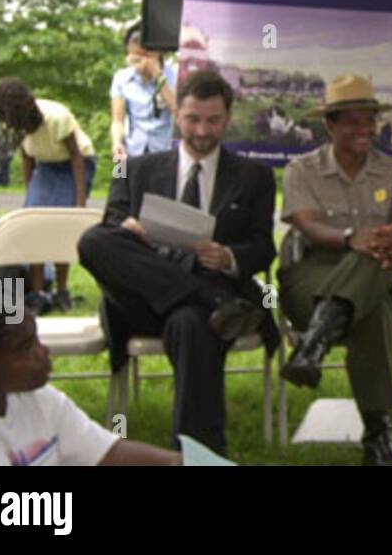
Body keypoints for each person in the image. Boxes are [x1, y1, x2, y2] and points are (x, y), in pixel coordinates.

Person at [77, 70, 277, 455]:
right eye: (192, 119)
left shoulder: (255, 176)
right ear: (176, 115)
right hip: (144, 298)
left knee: (191, 323)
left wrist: (230, 256)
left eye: (213, 120)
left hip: (209, 302)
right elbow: (111, 230)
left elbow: (263, 246)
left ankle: (196, 457)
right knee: (93, 241)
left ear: (228, 118)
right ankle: (209, 297)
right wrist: (129, 228)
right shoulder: (135, 169)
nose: (202, 130)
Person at [278, 75, 392, 466]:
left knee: (374, 258)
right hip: (317, 273)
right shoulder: (302, 169)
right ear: (330, 125)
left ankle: (313, 346)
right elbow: (308, 226)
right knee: (370, 309)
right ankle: (378, 437)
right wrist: (350, 238)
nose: (365, 130)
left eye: (370, 121)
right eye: (353, 122)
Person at [0, 309, 181, 465]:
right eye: (25, 349)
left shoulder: (36, 398)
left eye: (36, 339)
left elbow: (108, 454)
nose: (43, 351)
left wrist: (182, 462)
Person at [0, 79, 97, 312]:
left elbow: (76, 157)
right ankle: (39, 293)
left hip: (74, 165)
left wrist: (79, 203)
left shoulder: (57, 117)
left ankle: (62, 291)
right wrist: (32, 194)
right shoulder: (18, 127)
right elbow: (27, 158)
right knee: (34, 225)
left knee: (61, 225)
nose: (7, 123)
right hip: (46, 166)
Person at [110, 22, 178, 162]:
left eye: (139, 58)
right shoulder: (121, 78)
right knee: (120, 176)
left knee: (159, 182)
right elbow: (118, 120)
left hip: (163, 152)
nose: (135, 63)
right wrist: (117, 141)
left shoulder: (174, 76)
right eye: (131, 58)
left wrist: (157, 75)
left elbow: (178, 110)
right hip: (131, 150)